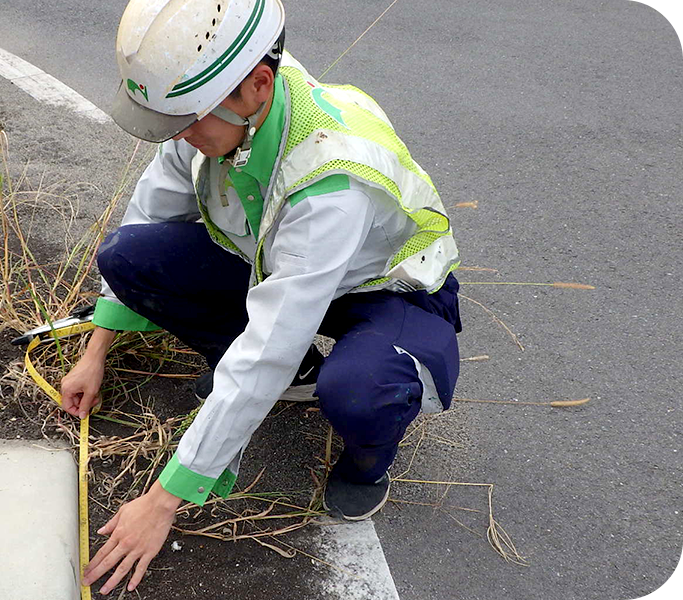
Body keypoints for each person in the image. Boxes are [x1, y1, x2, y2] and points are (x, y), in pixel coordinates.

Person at [59, 0, 463, 594]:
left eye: (190, 120)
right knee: (129, 254)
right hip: (281, 266)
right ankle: (301, 376)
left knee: (360, 391)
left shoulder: (331, 178)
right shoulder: (211, 102)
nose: (182, 137)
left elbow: (268, 344)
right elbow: (151, 212)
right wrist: (96, 349)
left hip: (387, 288)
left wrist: (164, 499)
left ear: (257, 88)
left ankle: (368, 459)